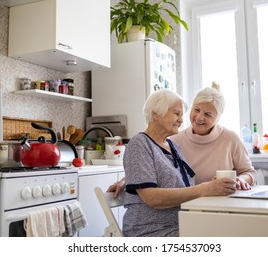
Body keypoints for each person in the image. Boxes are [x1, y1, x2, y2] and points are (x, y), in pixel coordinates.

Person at [122, 89, 236, 237]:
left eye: (182, 115)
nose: (182, 120)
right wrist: (204, 188)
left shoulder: (173, 147)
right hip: (150, 230)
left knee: (230, 228)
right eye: (176, 113)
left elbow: (182, 189)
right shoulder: (140, 144)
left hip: (182, 224)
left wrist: (212, 186)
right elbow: (151, 197)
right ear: (155, 114)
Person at [109, 82, 256, 196]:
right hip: (190, 207)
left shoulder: (230, 138)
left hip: (221, 204)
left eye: (208, 114)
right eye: (196, 110)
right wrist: (126, 181)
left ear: (218, 118)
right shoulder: (173, 141)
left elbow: (249, 172)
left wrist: (241, 180)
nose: (199, 118)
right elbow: (149, 172)